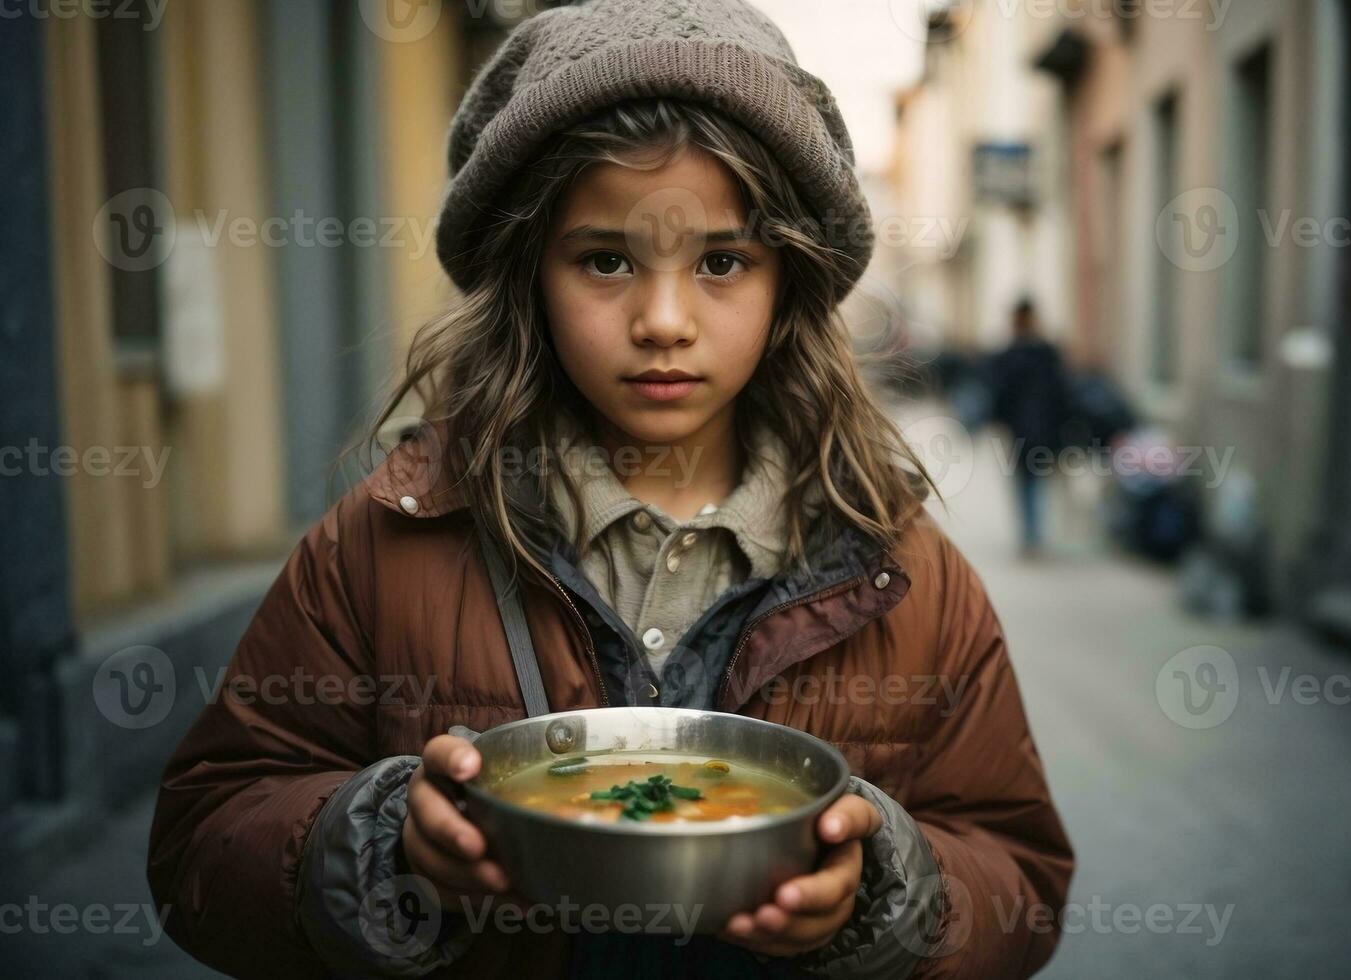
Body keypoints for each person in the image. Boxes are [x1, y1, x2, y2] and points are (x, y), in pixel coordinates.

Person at [146, 2, 1073, 977]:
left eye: (721, 260)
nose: (663, 320)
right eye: (606, 259)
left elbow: (1018, 873)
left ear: (789, 280)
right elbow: (202, 837)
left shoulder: (904, 571)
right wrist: (383, 849)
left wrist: (885, 890)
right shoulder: (383, 545)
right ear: (528, 274)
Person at [990, 299, 1070, 557]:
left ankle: (1031, 536)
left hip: (1026, 432)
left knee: (1027, 484)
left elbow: (999, 396)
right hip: (1038, 431)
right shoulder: (1044, 354)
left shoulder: (1013, 355)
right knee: (1032, 483)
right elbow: (1062, 395)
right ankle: (1033, 536)